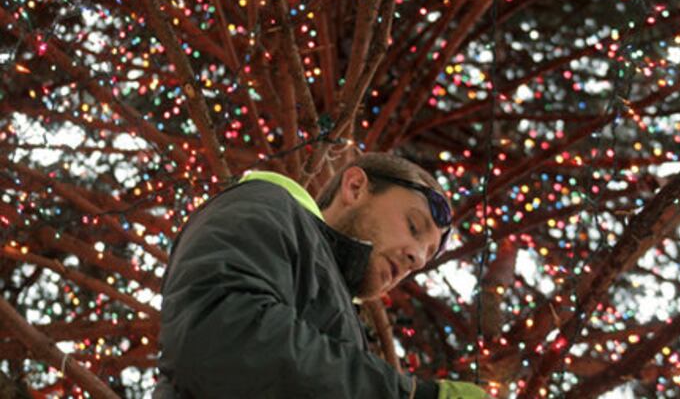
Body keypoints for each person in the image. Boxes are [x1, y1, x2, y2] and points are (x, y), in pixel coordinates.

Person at [153, 152, 489, 398]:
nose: (416, 258)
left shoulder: (341, 319)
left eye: (425, 261)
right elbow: (220, 337)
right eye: (413, 226)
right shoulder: (267, 204)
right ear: (355, 187)